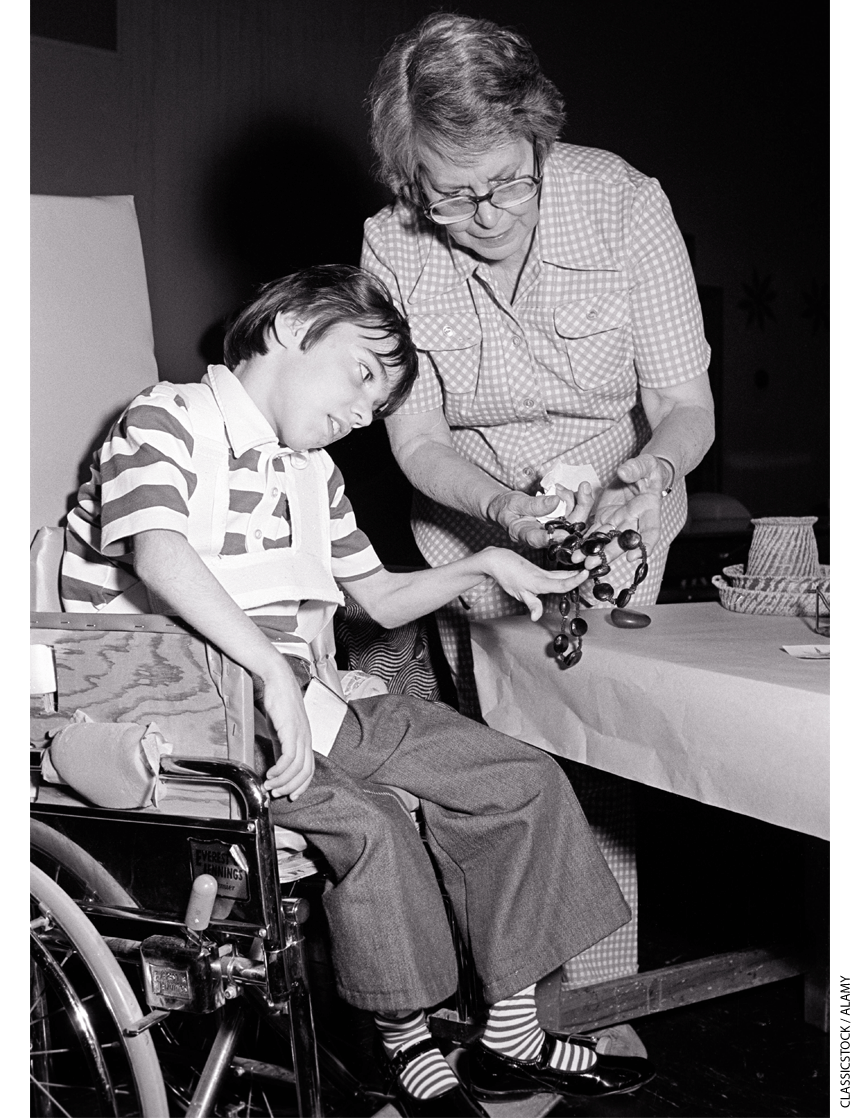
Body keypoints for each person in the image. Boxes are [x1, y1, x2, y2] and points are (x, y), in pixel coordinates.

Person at [60, 265, 654, 1116]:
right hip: (180, 706)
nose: (364, 413)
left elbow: (374, 596)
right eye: (363, 375)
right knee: (370, 823)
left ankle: (510, 1037)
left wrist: (484, 564)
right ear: (291, 325)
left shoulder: (314, 473)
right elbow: (159, 553)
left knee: (519, 778)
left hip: (299, 698)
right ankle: (406, 1042)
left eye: (379, 405)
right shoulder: (164, 420)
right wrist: (270, 669)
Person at [361, 12, 715, 1006]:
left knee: (596, 757)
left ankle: (592, 1005)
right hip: (470, 529)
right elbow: (415, 439)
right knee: (496, 762)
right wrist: (503, 510)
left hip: (617, 519)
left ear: (537, 136)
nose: (484, 215)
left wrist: (650, 473)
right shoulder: (390, 243)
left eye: (508, 182)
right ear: (408, 178)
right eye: (450, 193)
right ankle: (513, 1008)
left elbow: (684, 406)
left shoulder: (622, 204)